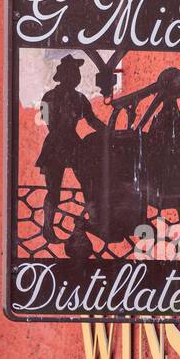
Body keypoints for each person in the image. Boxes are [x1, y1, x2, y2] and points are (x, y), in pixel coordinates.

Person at [35, 54, 105, 240]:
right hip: (62, 144)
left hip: (65, 144)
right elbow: (91, 121)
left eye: (76, 73)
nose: (76, 76)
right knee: (58, 189)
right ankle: (49, 228)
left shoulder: (75, 98)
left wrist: (107, 131)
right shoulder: (60, 97)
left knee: (85, 184)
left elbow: (92, 121)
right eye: (74, 72)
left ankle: (95, 221)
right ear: (67, 75)